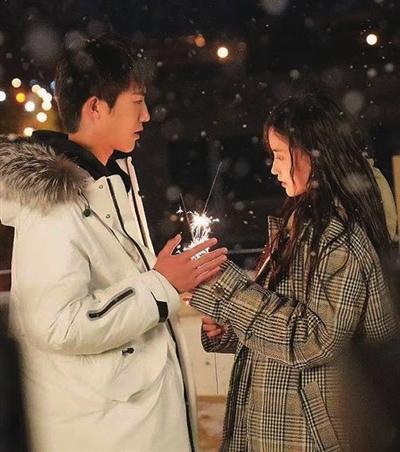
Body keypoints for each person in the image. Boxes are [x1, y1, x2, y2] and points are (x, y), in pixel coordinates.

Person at [0, 33, 227, 452]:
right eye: (136, 101)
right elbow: (55, 324)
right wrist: (161, 284)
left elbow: (122, 286)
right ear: (95, 108)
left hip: (135, 418)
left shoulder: (112, 177)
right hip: (105, 429)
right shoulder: (55, 201)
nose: (146, 115)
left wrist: (172, 280)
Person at [190, 91, 399, 452]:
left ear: (314, 155)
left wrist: (226, 288)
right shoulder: (301, 225)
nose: (274, 168)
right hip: (285, 426)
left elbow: (315, 339)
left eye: (281, 155)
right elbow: (286, 316)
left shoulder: (339, 237)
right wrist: (232, 327)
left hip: (310, 435)